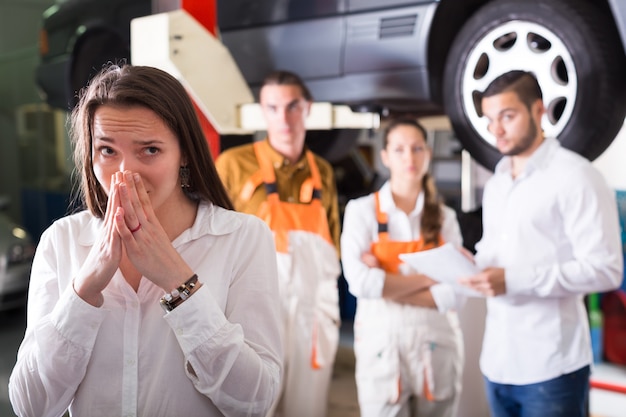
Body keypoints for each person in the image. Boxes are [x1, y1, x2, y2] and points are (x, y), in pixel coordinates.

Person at [8, 64, 283, 417]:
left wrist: (180, 284)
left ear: (184, 153)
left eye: (150, 150)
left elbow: (255, 401)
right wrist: (84, 289)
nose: (125, 173)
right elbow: (31, 406)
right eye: (107, 151)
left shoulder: (241, 238)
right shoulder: (61, 242)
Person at [460, 70, 624, 417]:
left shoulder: (576, 177)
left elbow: (606, 270)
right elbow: (496, 251)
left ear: (539, 111)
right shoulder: (498, 182)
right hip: (497, 361)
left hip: (551, 367)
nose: (497, 131)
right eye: (490, 120)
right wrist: (471, 265)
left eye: (507, 116)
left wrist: (514, 279)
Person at [215, 70, 341, 417]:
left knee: (307, 408)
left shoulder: (324, 173)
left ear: (308, 109)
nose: (283, 118)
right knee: (254, 406)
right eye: (273, 108)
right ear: (263, 111)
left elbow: (332, 249)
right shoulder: (233, 166)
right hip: (253, 314)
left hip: (311, 318)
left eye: (292, 107)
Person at [341, 118, 465, 417]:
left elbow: (454, 295)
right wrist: (430, 279)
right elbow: (360, 283)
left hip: (436, 343)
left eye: (417, 148)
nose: (409, 157)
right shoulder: (362, 212)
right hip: (382, 344)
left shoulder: (445, 218)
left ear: (428, 154)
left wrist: (384, 279)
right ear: (385, 156)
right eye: (399, 149)